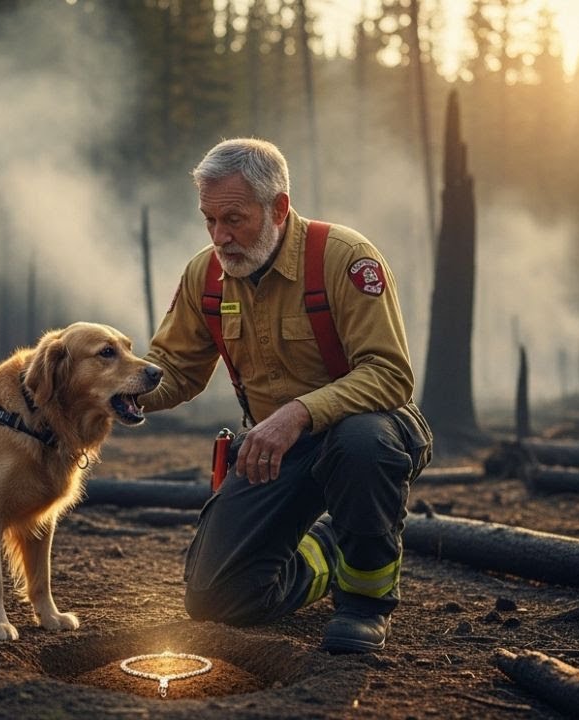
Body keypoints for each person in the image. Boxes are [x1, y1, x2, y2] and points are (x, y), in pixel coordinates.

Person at [140, 138, 433, 654]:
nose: (220, 237)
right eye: (209, 220)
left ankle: (365, 602)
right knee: (215, 598)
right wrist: (108, 389)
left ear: (279, 207)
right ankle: (331, 548)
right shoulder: (204, 276)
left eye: (234, 219)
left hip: (368, 429)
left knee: (361, 444)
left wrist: (298, 413)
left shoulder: (344, 259)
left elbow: (389, 373)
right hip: (274, 447)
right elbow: (175, 371)